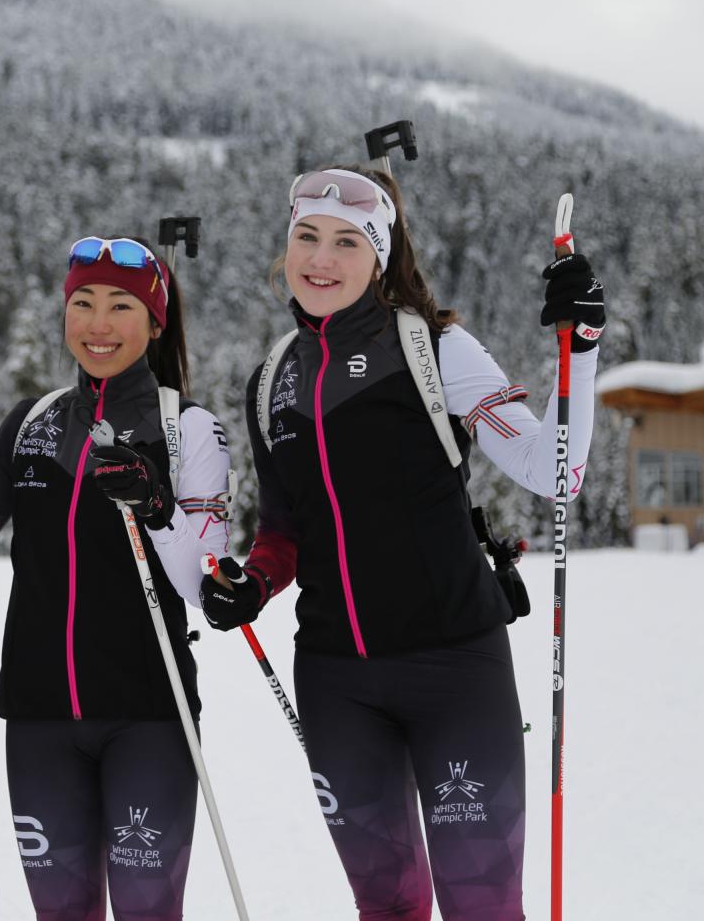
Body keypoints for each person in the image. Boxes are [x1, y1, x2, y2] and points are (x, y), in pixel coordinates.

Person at [199, 166, 603, 921]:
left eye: (347, 241)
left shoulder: (432, 349)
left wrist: (579, 346)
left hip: (454, 669)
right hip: (335, 684)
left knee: (481, 905)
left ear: (379, 256)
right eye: (307, 236)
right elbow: (284, 531)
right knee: (387, 907)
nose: (322, 257)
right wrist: (249, 584)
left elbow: (556, 470)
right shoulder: (271, 382)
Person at [0, 235, 232, 920]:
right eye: (82, 304)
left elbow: (206, 582)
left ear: (155, 321)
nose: (98, 324)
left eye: (120, 306)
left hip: (149, 717)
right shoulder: (33, 423)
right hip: (39, 717)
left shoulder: (186, 430)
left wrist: (157, 505)